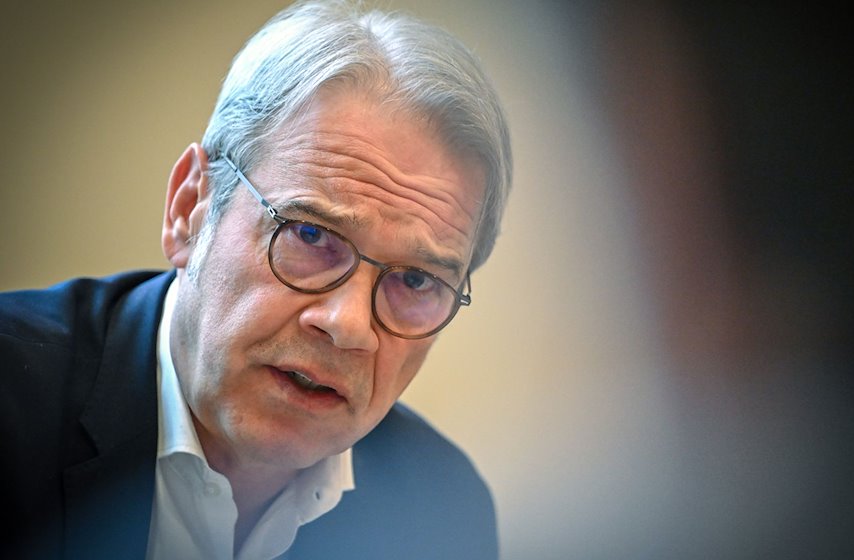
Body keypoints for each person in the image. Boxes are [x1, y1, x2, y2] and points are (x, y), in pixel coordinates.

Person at [0, 0, 512, 558]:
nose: (347, 326)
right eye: (311, 236)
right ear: (190, 208)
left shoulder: (441, 509)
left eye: (415, 280)